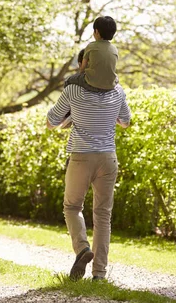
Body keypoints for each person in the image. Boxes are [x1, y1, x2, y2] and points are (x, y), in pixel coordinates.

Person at [46, 70, 131, 281]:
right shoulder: (118, 91)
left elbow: (51, 122)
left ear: (84, 66)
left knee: (72, 207)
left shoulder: (73, 89)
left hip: (81, 158)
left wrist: (74, 115)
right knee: (103, 215)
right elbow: (126, 122)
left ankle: (83, 249)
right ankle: (99, 274)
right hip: (108, 158)